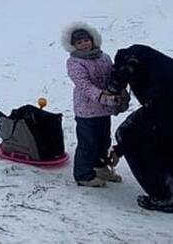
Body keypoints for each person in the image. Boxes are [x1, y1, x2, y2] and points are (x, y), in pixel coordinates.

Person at [106, 45, 173, 211]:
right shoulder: (145, 61)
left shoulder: (134, 60)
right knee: (145, 134)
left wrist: (115, 85)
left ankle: (164, 196)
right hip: (163, 106)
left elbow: (160, 116)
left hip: (166, 106)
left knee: (127, 134)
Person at [63, 23, 125, 187]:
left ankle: (100, 167)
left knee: (103, 141)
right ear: (73, 45)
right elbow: (84, 85)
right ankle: (83, 174)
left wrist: (119, 91)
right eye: (79, 42)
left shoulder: (103, 57)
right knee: (88, 143)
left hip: (104, 109)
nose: (84, 44)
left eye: (86, 40)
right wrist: (103, 96)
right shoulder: (74, 62)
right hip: (87, 110)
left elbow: (113, 75)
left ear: (92, 40)